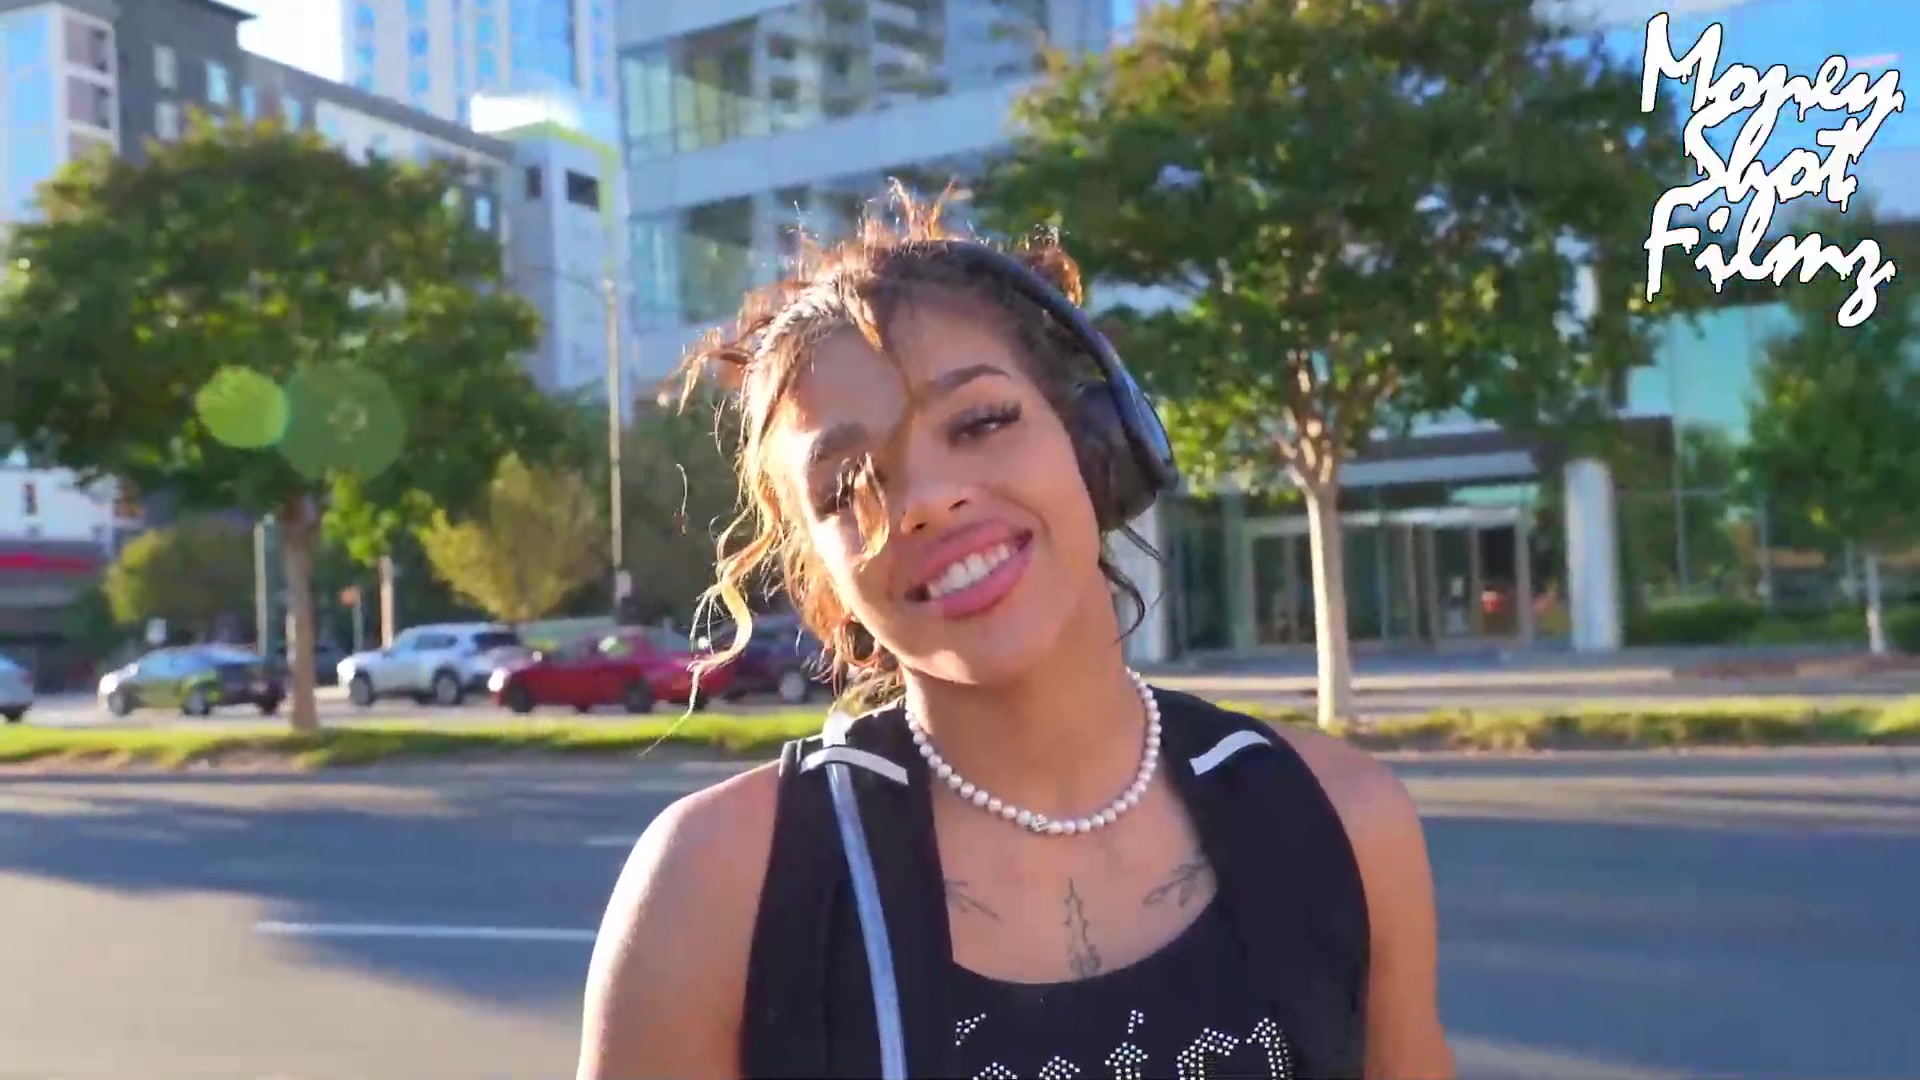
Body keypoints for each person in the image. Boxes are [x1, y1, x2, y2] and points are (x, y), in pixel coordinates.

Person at [576, 189, 1453, 1080]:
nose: (925, 501)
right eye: (846, 487)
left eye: (981, 422)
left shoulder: (1343, 823)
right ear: (821, 578)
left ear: (1098, 443)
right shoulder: (718, 888)